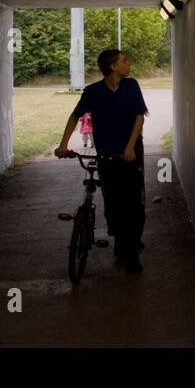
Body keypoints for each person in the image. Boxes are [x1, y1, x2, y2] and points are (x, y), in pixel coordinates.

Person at [56, 50, 146, 273]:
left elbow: (139, 116)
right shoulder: (93, 92)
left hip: (131, 156)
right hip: (107, 157)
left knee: (134, 204)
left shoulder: (131, 86)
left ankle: (131, 251)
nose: (128, 63)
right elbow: (75, 116)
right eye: (124, 60)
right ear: (113, 66)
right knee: (113, 203)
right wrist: (63, 144)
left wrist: (129, 147)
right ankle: (121, 240)